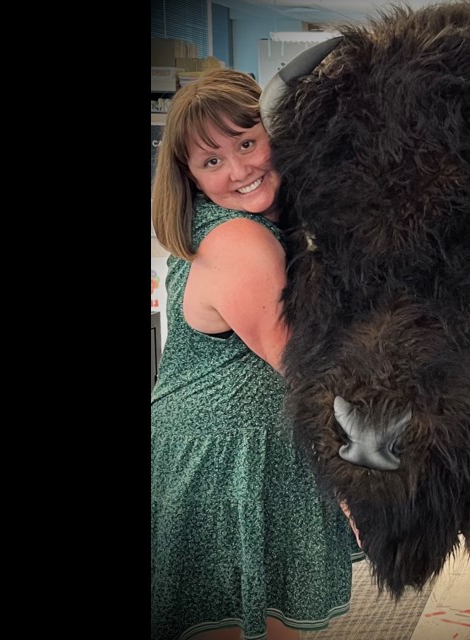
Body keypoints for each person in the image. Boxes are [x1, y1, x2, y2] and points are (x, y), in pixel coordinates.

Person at [151, 67, 364, 640]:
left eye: (247, 143)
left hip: (242, 444)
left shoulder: (252, 223)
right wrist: (363, 479)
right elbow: (304, 367)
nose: (240, 170)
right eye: (211, 161)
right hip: (226, 463)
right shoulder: (242, 241)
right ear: (190, 178)